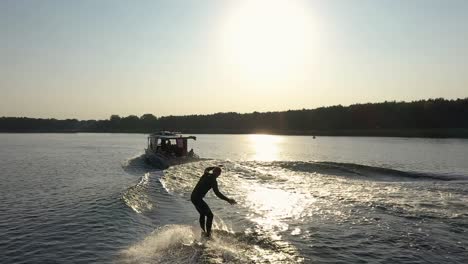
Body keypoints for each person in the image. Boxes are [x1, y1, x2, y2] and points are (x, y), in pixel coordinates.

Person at [191, 166, 236, 238]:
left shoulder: (206, 174)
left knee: (202, 214)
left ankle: (204, 232)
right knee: (210, 216)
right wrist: (228, 200)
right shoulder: (213, 181)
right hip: (198, 199)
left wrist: (215, 167)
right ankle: (207, 234)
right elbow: (217, 193)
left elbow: (207, 168)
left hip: (193, 197)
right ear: (218, 174)